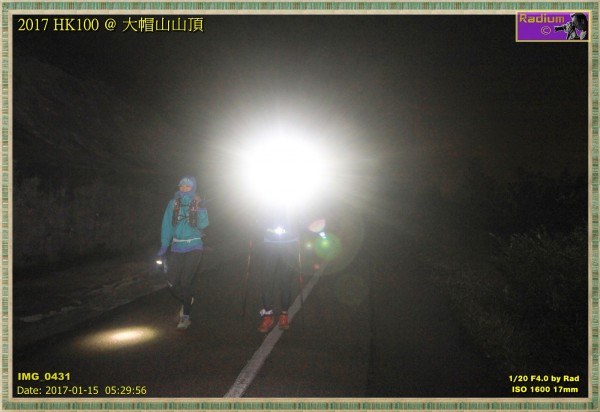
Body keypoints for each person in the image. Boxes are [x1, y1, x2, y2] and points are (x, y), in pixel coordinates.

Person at [157, 176, 209, 330]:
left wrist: (201, 208)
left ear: (193, 188)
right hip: (177, 246)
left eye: (188, 186)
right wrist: (164, 245)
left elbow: (204, 224)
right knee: (171, 282)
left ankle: (185, 316)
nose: (184, 188)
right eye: (182, 186)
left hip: (194, 245)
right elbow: (167, 225)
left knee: (186, 281)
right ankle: (188, 299)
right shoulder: (173, 203)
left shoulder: (196, 201)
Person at [255, 206, 301, 333]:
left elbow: (302, 213)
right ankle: (268, 314)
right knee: (267, 278)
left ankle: (284, 314)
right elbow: (259, 212)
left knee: (285, 280)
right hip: (270, 241)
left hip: (290, 242)